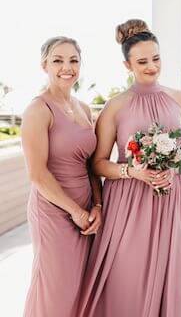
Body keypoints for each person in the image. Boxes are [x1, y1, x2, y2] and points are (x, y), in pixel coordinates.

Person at [78, 19, 181, 317]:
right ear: (127, 64)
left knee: (173, 279)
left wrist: (175, 167)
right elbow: (97, 163)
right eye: (142, 61)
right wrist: (132, 172)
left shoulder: (179, 100)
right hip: (128, 204)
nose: (151, 66)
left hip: (171, 201)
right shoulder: (116, 106)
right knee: (126, 279)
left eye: (156, 58)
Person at [22, 36, 102, 317]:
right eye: (58, 60)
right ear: (44, 65)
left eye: (73, 60)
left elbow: (91, 165)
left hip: (85, 214)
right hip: (54, 212)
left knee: (80, 293)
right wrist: (76, 212)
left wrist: (97, 206)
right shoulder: (37, 110)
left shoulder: (84, 108)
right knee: (55, 293)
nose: (66, 67)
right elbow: (37, 174)